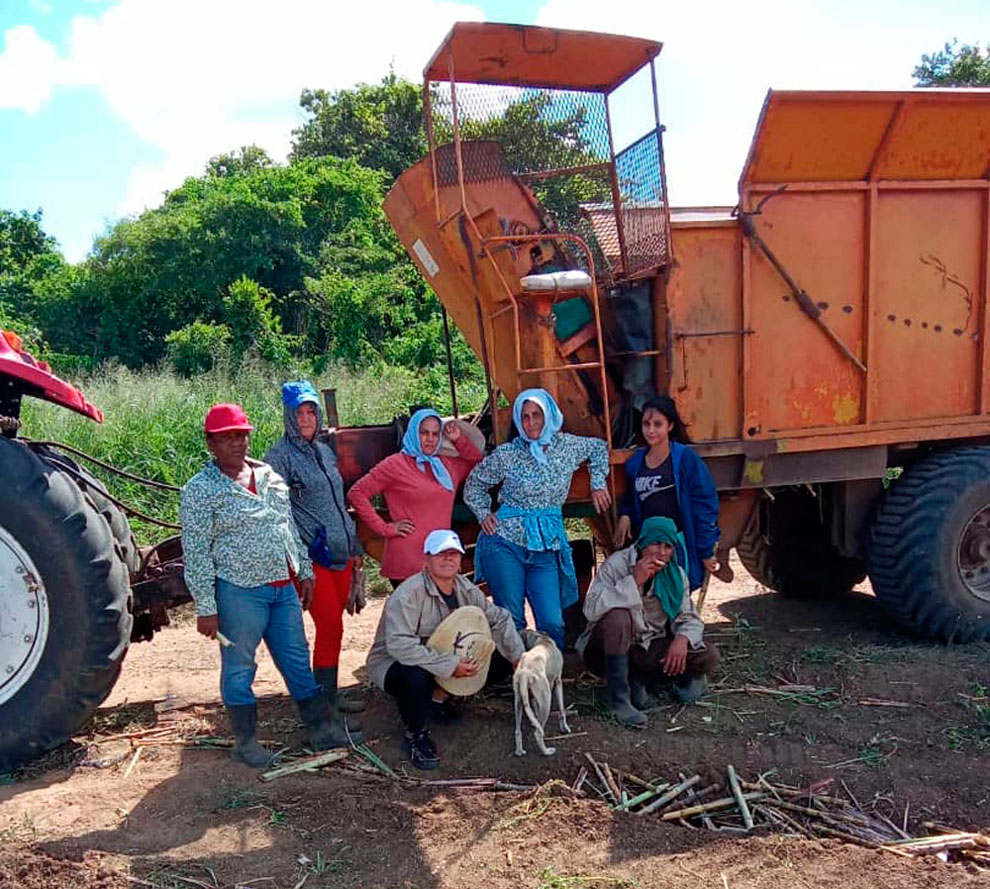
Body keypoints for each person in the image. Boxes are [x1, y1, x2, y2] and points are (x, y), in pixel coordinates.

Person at [180, 402, 358, 769]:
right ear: (209, 443)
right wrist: (205, 606)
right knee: (240, 664)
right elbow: (196, 551)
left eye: (242, 436)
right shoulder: (200, 490)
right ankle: (245, 742)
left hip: (282, 588)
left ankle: (320, 729)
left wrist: (304, 570)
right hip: (239, 591)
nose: (236, 444)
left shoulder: (269, 478)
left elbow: (288, 528)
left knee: (295, 658)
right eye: (226, 438)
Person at [464, 388, 611, 651]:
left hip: (546, 544)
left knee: (552, 621)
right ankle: (521, 678)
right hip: (505, 542)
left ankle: (548, 675)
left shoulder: (567, 446)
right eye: (525, 417)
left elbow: (600, 448)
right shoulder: (508, 454)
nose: (531, 423)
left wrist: (598, 484)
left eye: (537, 415)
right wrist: (484, 513)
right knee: (512, 618)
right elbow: (474, 484)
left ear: (549, 416)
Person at [366, 529, 524, 769]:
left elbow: (499, 619)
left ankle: (438, 698)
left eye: (453, 554)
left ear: (460, 559)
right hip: (395, 662)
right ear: (426, 560)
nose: (448, 559)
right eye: (440, 554)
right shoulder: (407, 594)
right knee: (414, 676)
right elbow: (400, 646)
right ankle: (415, 734)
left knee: (498, 659)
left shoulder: (467, 589)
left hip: (444, 657)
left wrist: (517, 656)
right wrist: (450, 666)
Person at [264, 380, 365, 716]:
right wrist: (299, 557)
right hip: (311, 557)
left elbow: (337, 501)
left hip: (341, 552)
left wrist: (354, 545)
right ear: (288, 415)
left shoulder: (324, 452)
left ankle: (330, 695)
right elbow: (276, 513)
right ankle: (322, 706)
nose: (306, 418)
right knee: (330, 625)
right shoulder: (279, 457)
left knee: (334, 625)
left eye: (311, 411)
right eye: (299, 412)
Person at [579, 516, 720, 726]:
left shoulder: (675, 574)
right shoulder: (617, 565)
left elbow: (689, 617)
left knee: (708, 655)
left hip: (647, 647)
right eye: (655, 544)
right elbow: (590, 609)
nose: (661, 553)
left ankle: (644, 682)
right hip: (609, 649)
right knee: (618, 617)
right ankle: (619, 701)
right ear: (643, 543)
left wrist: (682, 639)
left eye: (668, 546)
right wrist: (633, 581)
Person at [347, 408, 482, 588]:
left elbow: (476, 463)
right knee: (417, 616)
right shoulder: (395, 464)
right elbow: (356, 493)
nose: (430, 439)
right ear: (413, 432)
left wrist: (459, 439)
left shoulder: (446, 466)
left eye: (435, 434)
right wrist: (385, 528)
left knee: (445, 615)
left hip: (440, 559)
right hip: (408, 561)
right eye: (424, 432)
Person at [613, 395, 720, 591]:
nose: (651, 430)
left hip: (677, 546)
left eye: (658, 424)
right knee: (650, 600)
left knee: (679, 598)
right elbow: (630, 496)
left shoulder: (685, 460)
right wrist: (626, 515)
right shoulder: (636, 463)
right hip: (647, 548)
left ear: (670, 426)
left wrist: (706, 550)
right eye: (646, 424)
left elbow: (704, 505)